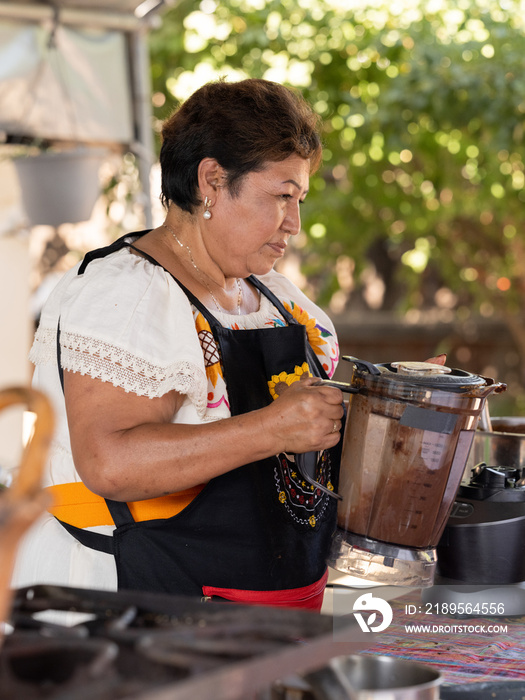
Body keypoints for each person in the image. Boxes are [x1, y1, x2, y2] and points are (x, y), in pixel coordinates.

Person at [12, 78, 345, 612]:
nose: (295, 224)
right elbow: (109, 464)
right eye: (282, 196)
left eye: (299, 199)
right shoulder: (128, 294)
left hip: (265, 603)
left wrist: (397, 408)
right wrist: (272, 427)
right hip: (135, 598)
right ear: (212, 180)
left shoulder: (278, 297)